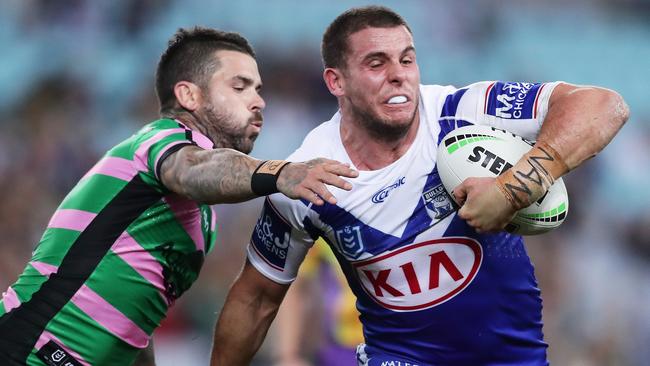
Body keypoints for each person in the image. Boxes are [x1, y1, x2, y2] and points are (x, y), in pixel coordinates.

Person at [210, 5, 629, 366]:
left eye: (407, 60)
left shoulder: (460, 113)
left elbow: (604, 106)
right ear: (336, 82)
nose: (399, 76)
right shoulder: (306, 179)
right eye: (376, 64)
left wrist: (512, 190)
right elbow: (257, 297)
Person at [0, 27, 357, 366]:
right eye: (240, 86)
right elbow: (193, 170)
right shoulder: (159, 139)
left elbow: (139, 319)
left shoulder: (201, 217)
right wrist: (280, 172)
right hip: (26, 347)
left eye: (259, 89)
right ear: (189, 95)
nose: (259, 101)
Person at [273, 239, 363, 366]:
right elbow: (293, 287)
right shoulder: (320, 223)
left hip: (395, 342)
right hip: (343, 348)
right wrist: (289, 356)